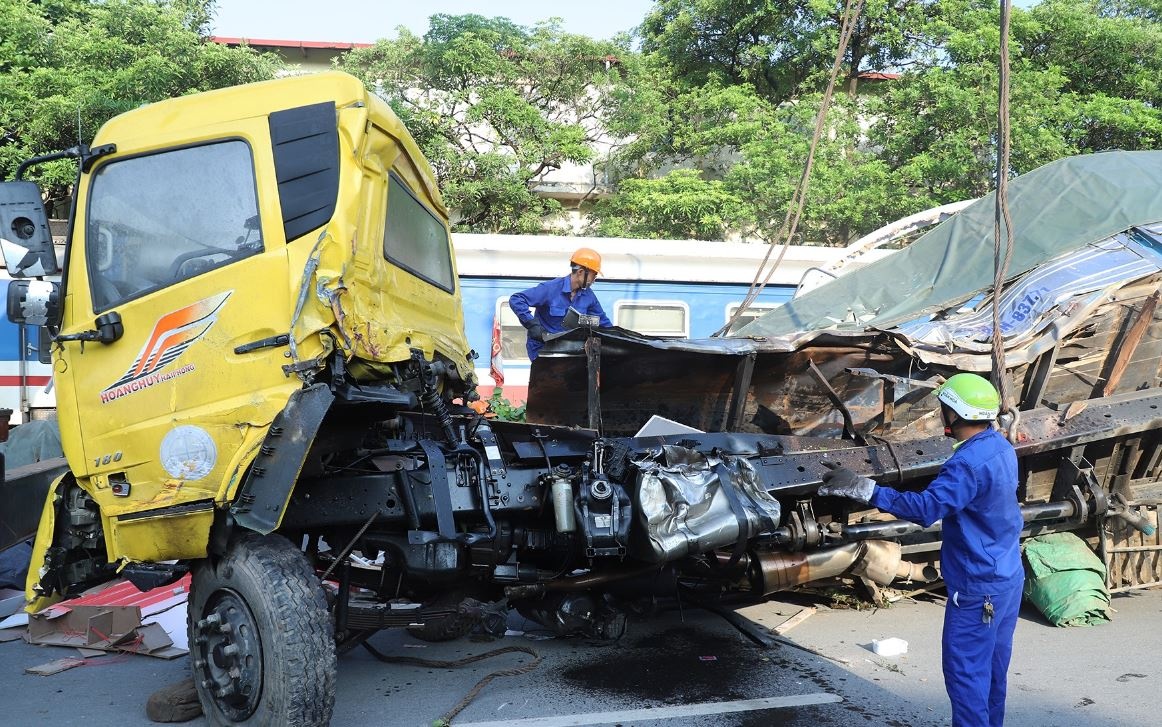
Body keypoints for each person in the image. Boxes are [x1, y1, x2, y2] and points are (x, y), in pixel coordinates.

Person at [818, 373, 1023, 727]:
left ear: (954, 413)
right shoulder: (1000, 447)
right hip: (1007, 577)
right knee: (991, 672)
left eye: (943, 407)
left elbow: (928, 509)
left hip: (977, 588)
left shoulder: (965, 465)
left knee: (966, 677)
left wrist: (863, 488)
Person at [509, 247, 612, 361]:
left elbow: (604, 323)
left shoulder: (589, 296)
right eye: (594, 275)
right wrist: (532, 324)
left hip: (569, 350)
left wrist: (620, 338)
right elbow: (516, 299)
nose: (594, 280)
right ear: (581, 272)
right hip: (543, 350)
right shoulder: (550, 289)